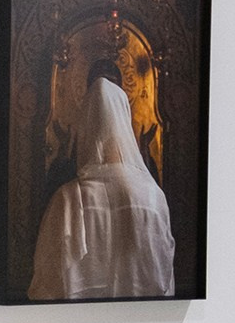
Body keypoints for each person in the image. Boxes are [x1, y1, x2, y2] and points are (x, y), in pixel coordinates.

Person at [28, 69, 176, 302]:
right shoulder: (154, 197)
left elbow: (45, 287)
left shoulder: (67, 200)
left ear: (85, 126)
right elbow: (166, 283)